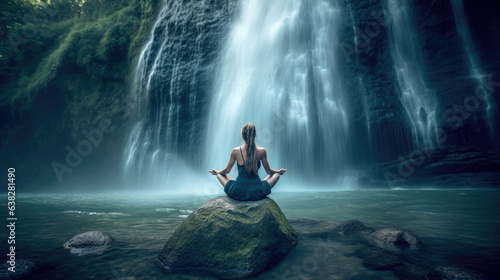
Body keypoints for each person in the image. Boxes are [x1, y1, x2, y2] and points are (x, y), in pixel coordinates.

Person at [209, 123, 286, 201]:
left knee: (219, 175)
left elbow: (227, 171)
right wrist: (278, 171)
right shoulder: (262, 151)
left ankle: (219, 174)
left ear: (242, 135)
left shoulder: (235, 151)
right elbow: (269, 171)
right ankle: (258, 184)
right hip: (257, 191)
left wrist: (217, 172)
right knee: (275, 175)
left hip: (238, 191)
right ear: (255, 135)